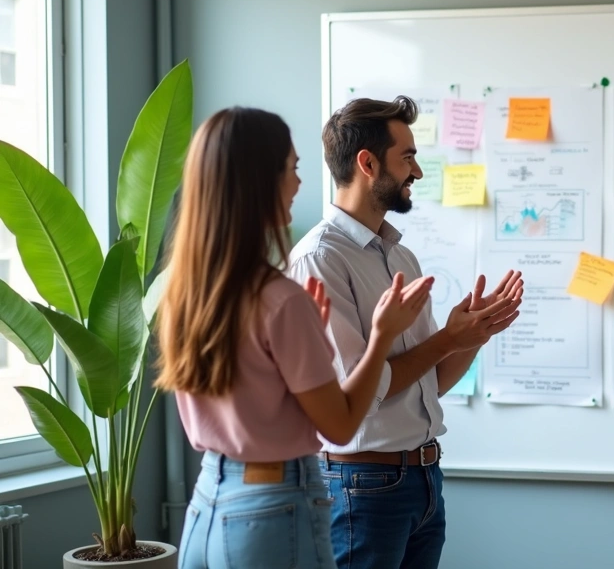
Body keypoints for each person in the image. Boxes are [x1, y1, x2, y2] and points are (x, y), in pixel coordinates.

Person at [155, 107, 434, 569]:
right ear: (257, 183)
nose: (300, 184)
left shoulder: (185, 294)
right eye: (292, 169)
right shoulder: (281, 297)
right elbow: (340, 427)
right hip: (272, 510)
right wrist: (383, 335)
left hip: (209, 501)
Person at [288, 96, 523, 569]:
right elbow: (361, 390)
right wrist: (449, 339)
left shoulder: (400, 256)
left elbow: (427, 382)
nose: (416, 172)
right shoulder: (320, 260)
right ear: (368, 163)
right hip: (363, 487)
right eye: (408, 157)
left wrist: (475, 334)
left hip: (423, 481)